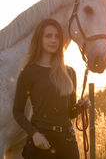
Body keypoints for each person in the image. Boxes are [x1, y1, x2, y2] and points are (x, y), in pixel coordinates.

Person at [13, 18, 90, 159]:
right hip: (42, 141)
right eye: (48, 36)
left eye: (57, 36)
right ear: (39, 39)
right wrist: (34, 134)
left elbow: (70, 113)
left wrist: (81, 107)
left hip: (68, 141)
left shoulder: (70, 72)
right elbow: (17, 111)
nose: (53, 40)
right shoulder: (29, 72)